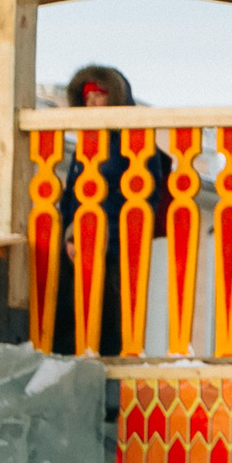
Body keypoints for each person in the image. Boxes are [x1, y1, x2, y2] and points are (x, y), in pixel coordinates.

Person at [53, 64, 170, 355]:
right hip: (77, 245)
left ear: (116, 97)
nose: (93, 103)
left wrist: (106, 237)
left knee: (109, 316)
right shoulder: (85, 145)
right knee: (69, 312)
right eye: (87, 97)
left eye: (99, 95)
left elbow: (145, 198)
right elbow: (71, 195)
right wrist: (68, 235)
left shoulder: (137, 143)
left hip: (116, 248)